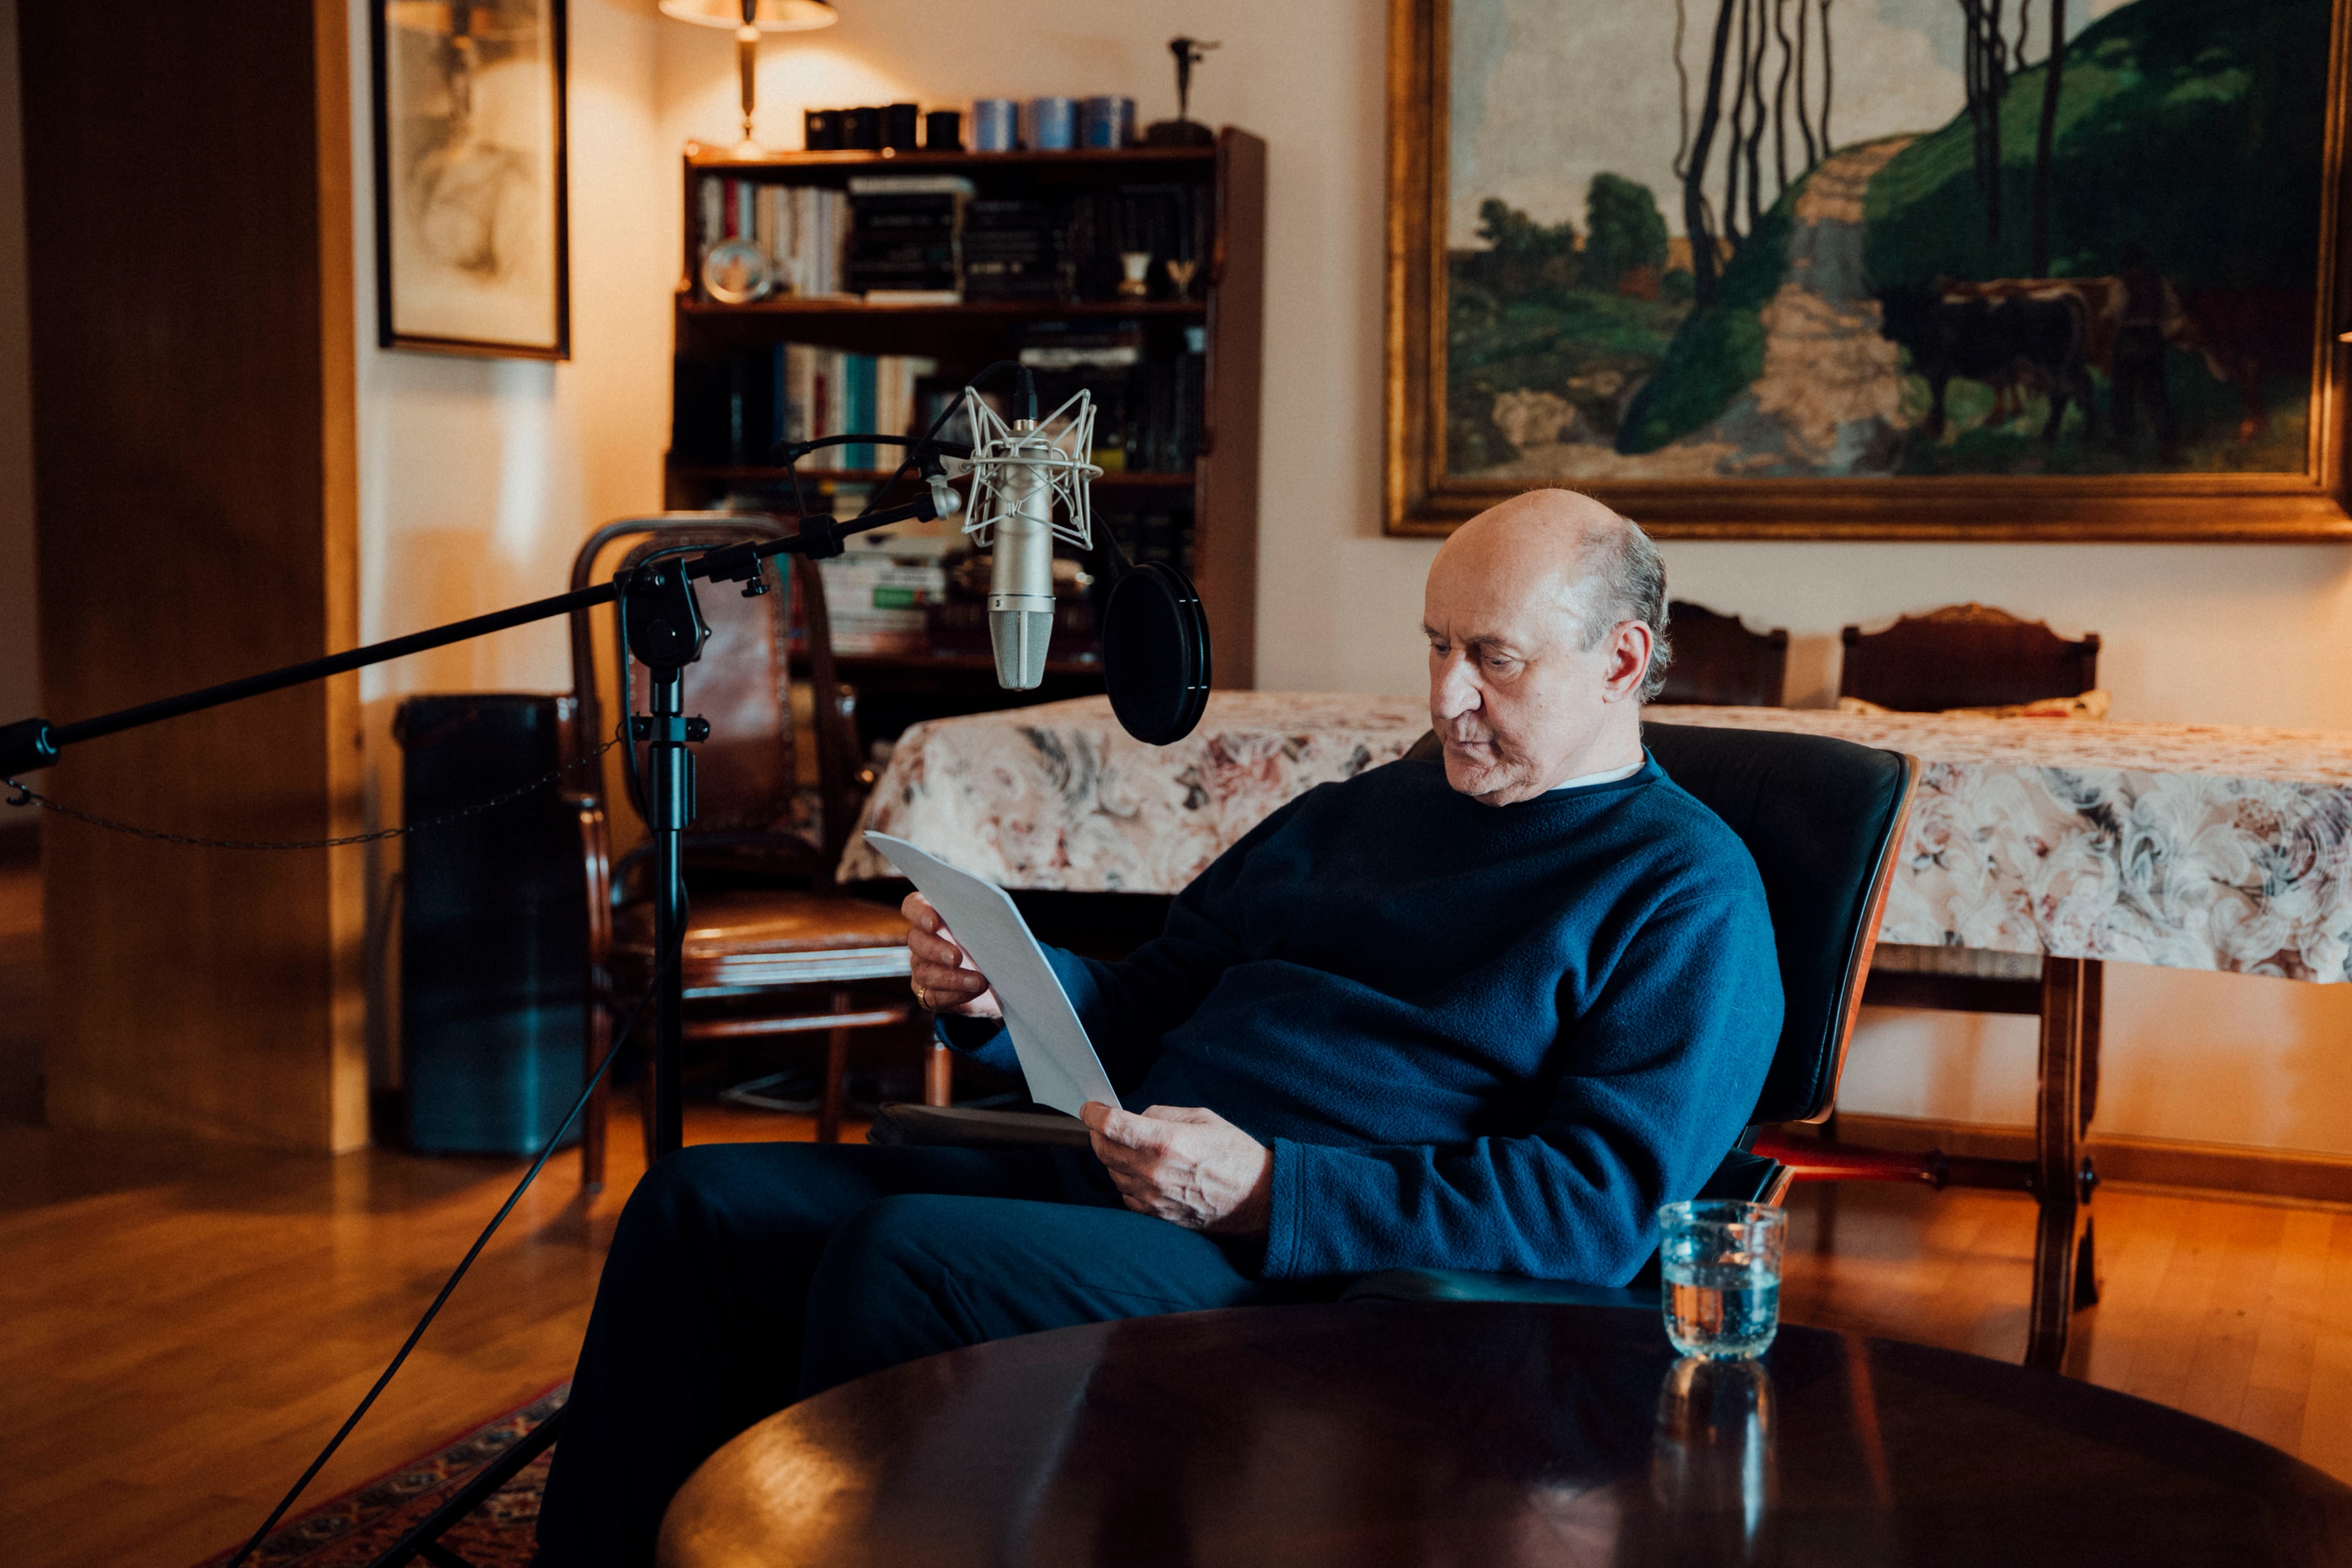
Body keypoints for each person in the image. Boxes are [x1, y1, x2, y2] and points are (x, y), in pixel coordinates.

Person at [534, 488, 1783, 1566]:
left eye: (1494, 658)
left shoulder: (1686, 891)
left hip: (1329, 1272)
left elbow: (1593, 1211)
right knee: (697, 1206)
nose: (1448, 694)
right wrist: (1001, 992)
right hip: (1138, 1180)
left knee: (905, 1260)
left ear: (1622, 661)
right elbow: (1146, 1004)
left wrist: (1273, 1192)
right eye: (1438, 646)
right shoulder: (1357, 814)